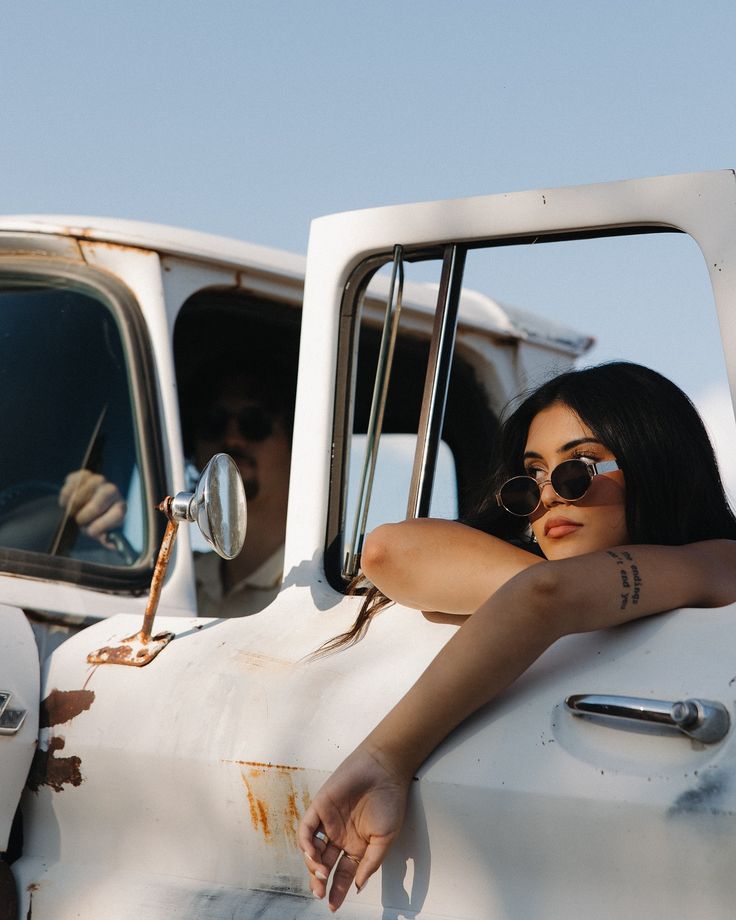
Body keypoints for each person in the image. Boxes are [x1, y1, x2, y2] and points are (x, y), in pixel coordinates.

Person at [297, 361, 736, 911]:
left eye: (579, 468)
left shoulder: (721, 563)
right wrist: (563, 596)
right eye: (531, 480)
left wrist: (387, 758)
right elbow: (387, 550)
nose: (550, 496)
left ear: (656, 461)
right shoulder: (545, 586)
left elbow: (545, 594)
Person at [61, 351, 295, 617]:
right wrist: (84, 528)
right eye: (213, 424)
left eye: (254, 423)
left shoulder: (325, 587)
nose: (232, 439)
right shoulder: (172, 582)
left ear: (295, 441)